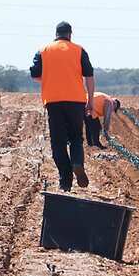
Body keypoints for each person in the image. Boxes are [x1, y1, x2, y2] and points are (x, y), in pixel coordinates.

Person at [29, 21, 94, 190]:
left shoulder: (44, 50)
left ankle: (65, 181)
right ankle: (77, 162)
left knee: (58, 142)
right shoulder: (79, 50)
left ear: (56, 34)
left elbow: (34, 74)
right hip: (76, 100)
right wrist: (91, 101)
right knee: (76, 137)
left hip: (53, 100)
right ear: (70, 34)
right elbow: (89, 77)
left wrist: (51, 76)